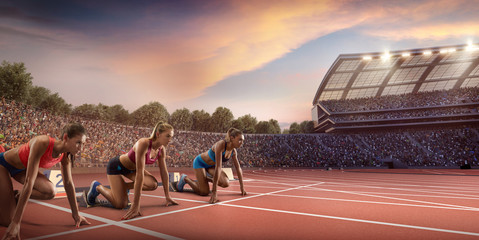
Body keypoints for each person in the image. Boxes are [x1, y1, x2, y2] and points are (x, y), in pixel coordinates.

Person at [0, 123, 90, 240]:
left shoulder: (65, 156)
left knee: (51, 191)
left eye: (83, 144)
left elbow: (68, 183)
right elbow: (29, 182)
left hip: (21, 170)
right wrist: (16, 223)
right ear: (66, 138)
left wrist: (76, 214)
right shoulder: (42, 143)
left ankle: (15, 196)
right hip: (3, 165)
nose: (81, 148)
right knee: (8, 221)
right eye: (78, 142)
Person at [86, 121, 178, 220]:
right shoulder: (143, 143)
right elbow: (140, 174)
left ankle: (123, 188)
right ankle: (98, 187)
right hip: (117, 167)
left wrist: (167, 196)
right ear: (158, 134)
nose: (170, 140)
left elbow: (164, 172)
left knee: (153, 184)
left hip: (132, 170)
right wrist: (135, 205)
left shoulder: (161, 149)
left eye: (171, 137)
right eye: (168, 136)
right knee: (121, 204)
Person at [175, 128, 247, 203]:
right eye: (240, 140)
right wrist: (214, 192)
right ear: (232, 138)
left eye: (243, 140)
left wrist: (242, 187)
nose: (242, 142)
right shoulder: (221, 144)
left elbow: (238, 168)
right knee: (204, 192)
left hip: (211, 167)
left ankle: (205, 178)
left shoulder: (234, 151)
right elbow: (218, 167)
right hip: (200, 163)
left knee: (226, 183)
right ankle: (185, 178)